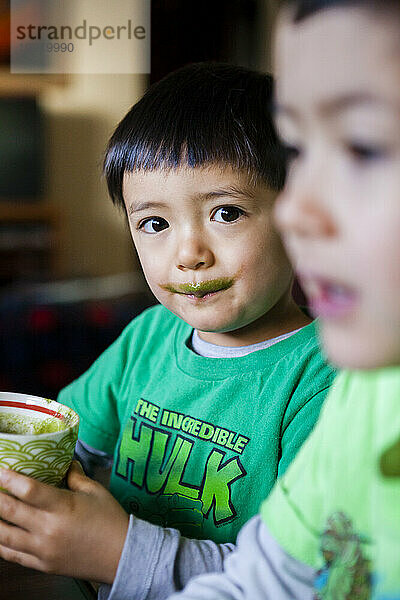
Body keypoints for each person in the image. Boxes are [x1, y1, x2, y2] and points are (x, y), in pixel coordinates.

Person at [0, 63, 335, 599]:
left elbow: (295, 579)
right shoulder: (149, 336)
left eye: (226, 213)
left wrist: (114, 551)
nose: (189, 255)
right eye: (155, 224)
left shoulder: (325, 380)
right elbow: (68, 450)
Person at [165, 2, 400, 599]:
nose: (294, 209)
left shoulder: (321, 380)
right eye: (297, 150)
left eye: (365, 147)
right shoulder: (367, 393)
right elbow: (262, 582)